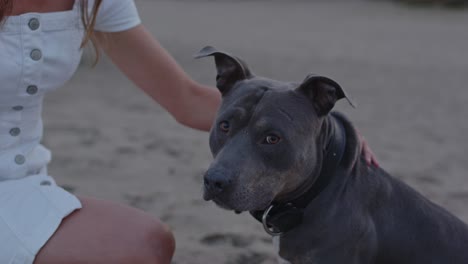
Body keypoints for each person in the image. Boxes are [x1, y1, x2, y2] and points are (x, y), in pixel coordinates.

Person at [0, 1, 379, 263]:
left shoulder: (94, 2)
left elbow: (186, 99)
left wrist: (317, 131)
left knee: (148, 245)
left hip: (23, 181)